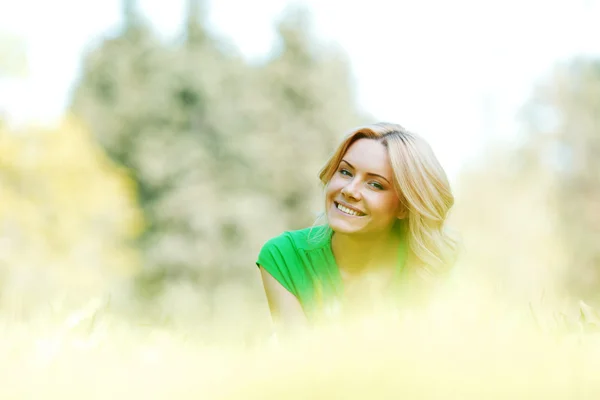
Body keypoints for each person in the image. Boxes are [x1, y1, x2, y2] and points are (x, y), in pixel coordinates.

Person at [256, 122, 458, 333]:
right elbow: (301, 358)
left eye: (375, 184)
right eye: (345, 172)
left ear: (405, 207)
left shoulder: (435, 266)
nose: (349, 190)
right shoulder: (284, 256)